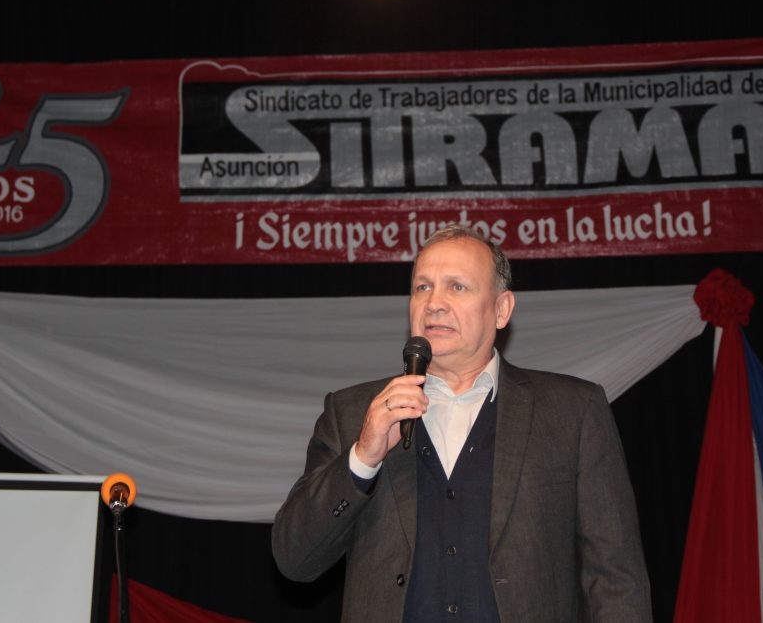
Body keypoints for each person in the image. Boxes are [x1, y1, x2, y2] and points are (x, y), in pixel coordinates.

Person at [272, 224, 652, 622]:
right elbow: (294, 559)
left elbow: (616, 578)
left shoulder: (573, 411)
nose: (434, 303)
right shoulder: (353, 412)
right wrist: (362, 459)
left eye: (457, 287)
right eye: (422, 287)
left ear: (501, 309)